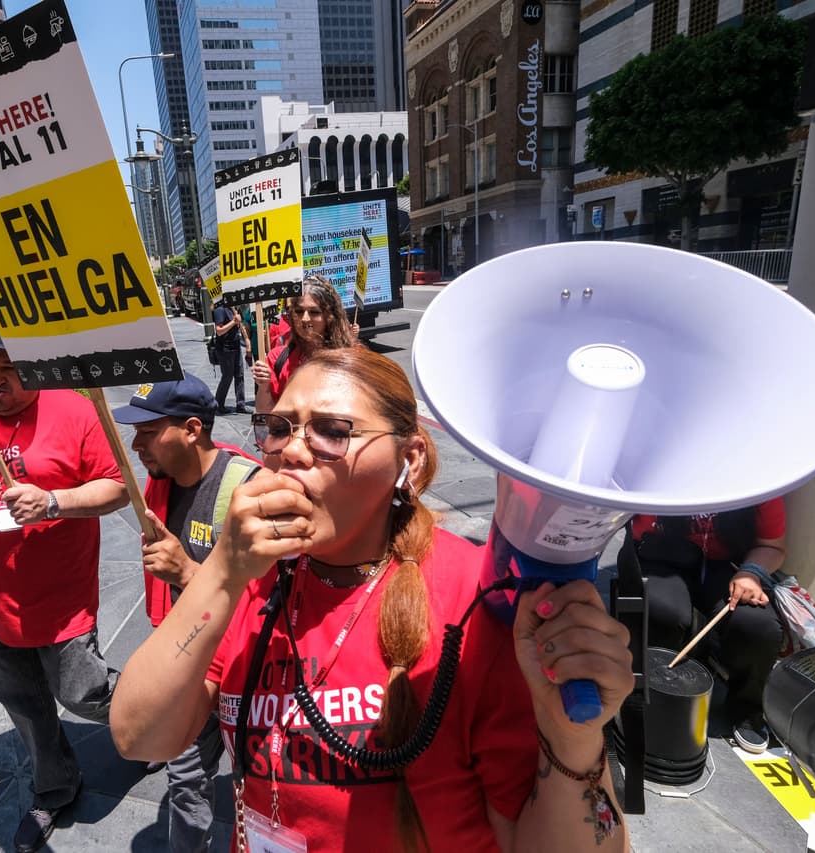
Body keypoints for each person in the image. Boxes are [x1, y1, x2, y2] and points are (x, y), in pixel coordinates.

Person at [111, 347, 633, 853]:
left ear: (409, 458)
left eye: (333, 432)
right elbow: (140, 737)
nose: (292, 450)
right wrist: (222, 570)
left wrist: (571, 740)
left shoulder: (474, 603)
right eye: (280, 427)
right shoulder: (253, 577)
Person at [0, 313, 130, 853]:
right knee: (25, 707)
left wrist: (54, 501)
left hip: (60, 600)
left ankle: (155, 717)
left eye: (9, 368)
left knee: (83, 694)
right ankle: (55, 787)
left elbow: (117, 487)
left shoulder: (74, 409)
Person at [112, 374, 260, 852]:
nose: (136, 445)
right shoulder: (160, 484)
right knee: (186, 780)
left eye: (149, 432)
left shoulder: (249, 490)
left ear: (193, 429)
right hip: (189, 664)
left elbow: (269, 605)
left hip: (245, 673)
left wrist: (187, 573)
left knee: (258, 778)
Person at [619, 502, 786, 753]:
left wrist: (751, 573)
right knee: (664, 614)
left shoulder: (760, 483)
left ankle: (746, 708)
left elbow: (772, 545)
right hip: (664, 556)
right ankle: (652, 698)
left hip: (731, 565)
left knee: (759, 627)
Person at [251, 275, 357, 413]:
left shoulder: (351, 358)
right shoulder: (277, 359)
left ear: (330, 316)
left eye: (314, 312)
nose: (305, 319)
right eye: (299, 311)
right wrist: (264, 385)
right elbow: (266, 413)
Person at [211, 298, 250, 416]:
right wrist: (234, 321)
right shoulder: (220, 309)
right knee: (227, 377)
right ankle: (218, 404)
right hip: (225, 349)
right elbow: (219, 331)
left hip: (236, 346)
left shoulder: (233, 308)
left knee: (240, 375)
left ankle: (240, 404)